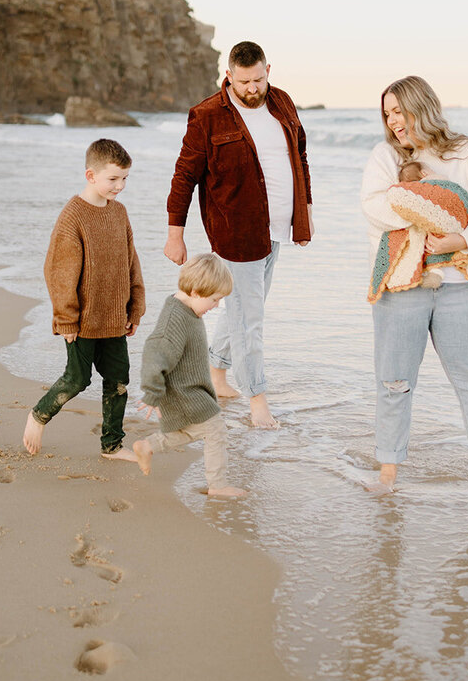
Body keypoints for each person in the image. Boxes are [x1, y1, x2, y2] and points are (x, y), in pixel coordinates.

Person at [361, 76, 468, 495]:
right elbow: (373, 206)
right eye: (387, 113)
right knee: (394, 382)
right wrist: (428, 213)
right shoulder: (384, 155)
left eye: (399, 110)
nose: (393, 121)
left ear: (422, 107)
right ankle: (388, 475)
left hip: (460, 285)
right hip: (401, 285)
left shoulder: (467, 152)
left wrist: (460, 239)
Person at [164, 41, 314, 429]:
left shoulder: (282, 102)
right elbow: (184, 176)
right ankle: (257, 401)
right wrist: (174, 234)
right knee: (251, 319)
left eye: (258, 80)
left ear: (269, 71)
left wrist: (305, 213)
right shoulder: (207, 115)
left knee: (243, 308)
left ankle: (215, 375)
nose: (252, 88)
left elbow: (300, 156)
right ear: (229, 75)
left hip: (276, 231)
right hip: (235, 232)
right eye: (243, 81)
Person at [23, 138, 147, 467]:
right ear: (91, 175)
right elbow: (59, 272)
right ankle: (38, 415)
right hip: (82, 321)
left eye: (124, 179)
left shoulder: (119, 213)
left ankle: (112, 444)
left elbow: (131, 262)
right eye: (113, 179)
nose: (120, 186)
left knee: (119, 379)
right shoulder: (73, 216)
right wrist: (66, 320)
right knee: (77, 379)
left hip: (114, 317)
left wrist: (135, 307)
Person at [134, 254, 247, 499]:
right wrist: (152, 393)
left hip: (191, 389)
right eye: (215, 299)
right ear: (195, 292)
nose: (216, 305)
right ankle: (218, 485)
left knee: (189, 432)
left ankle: (148, 446)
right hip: (185, 393)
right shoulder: (176, 319)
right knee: (215, 429)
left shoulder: (187, 309)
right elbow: (155, 352)